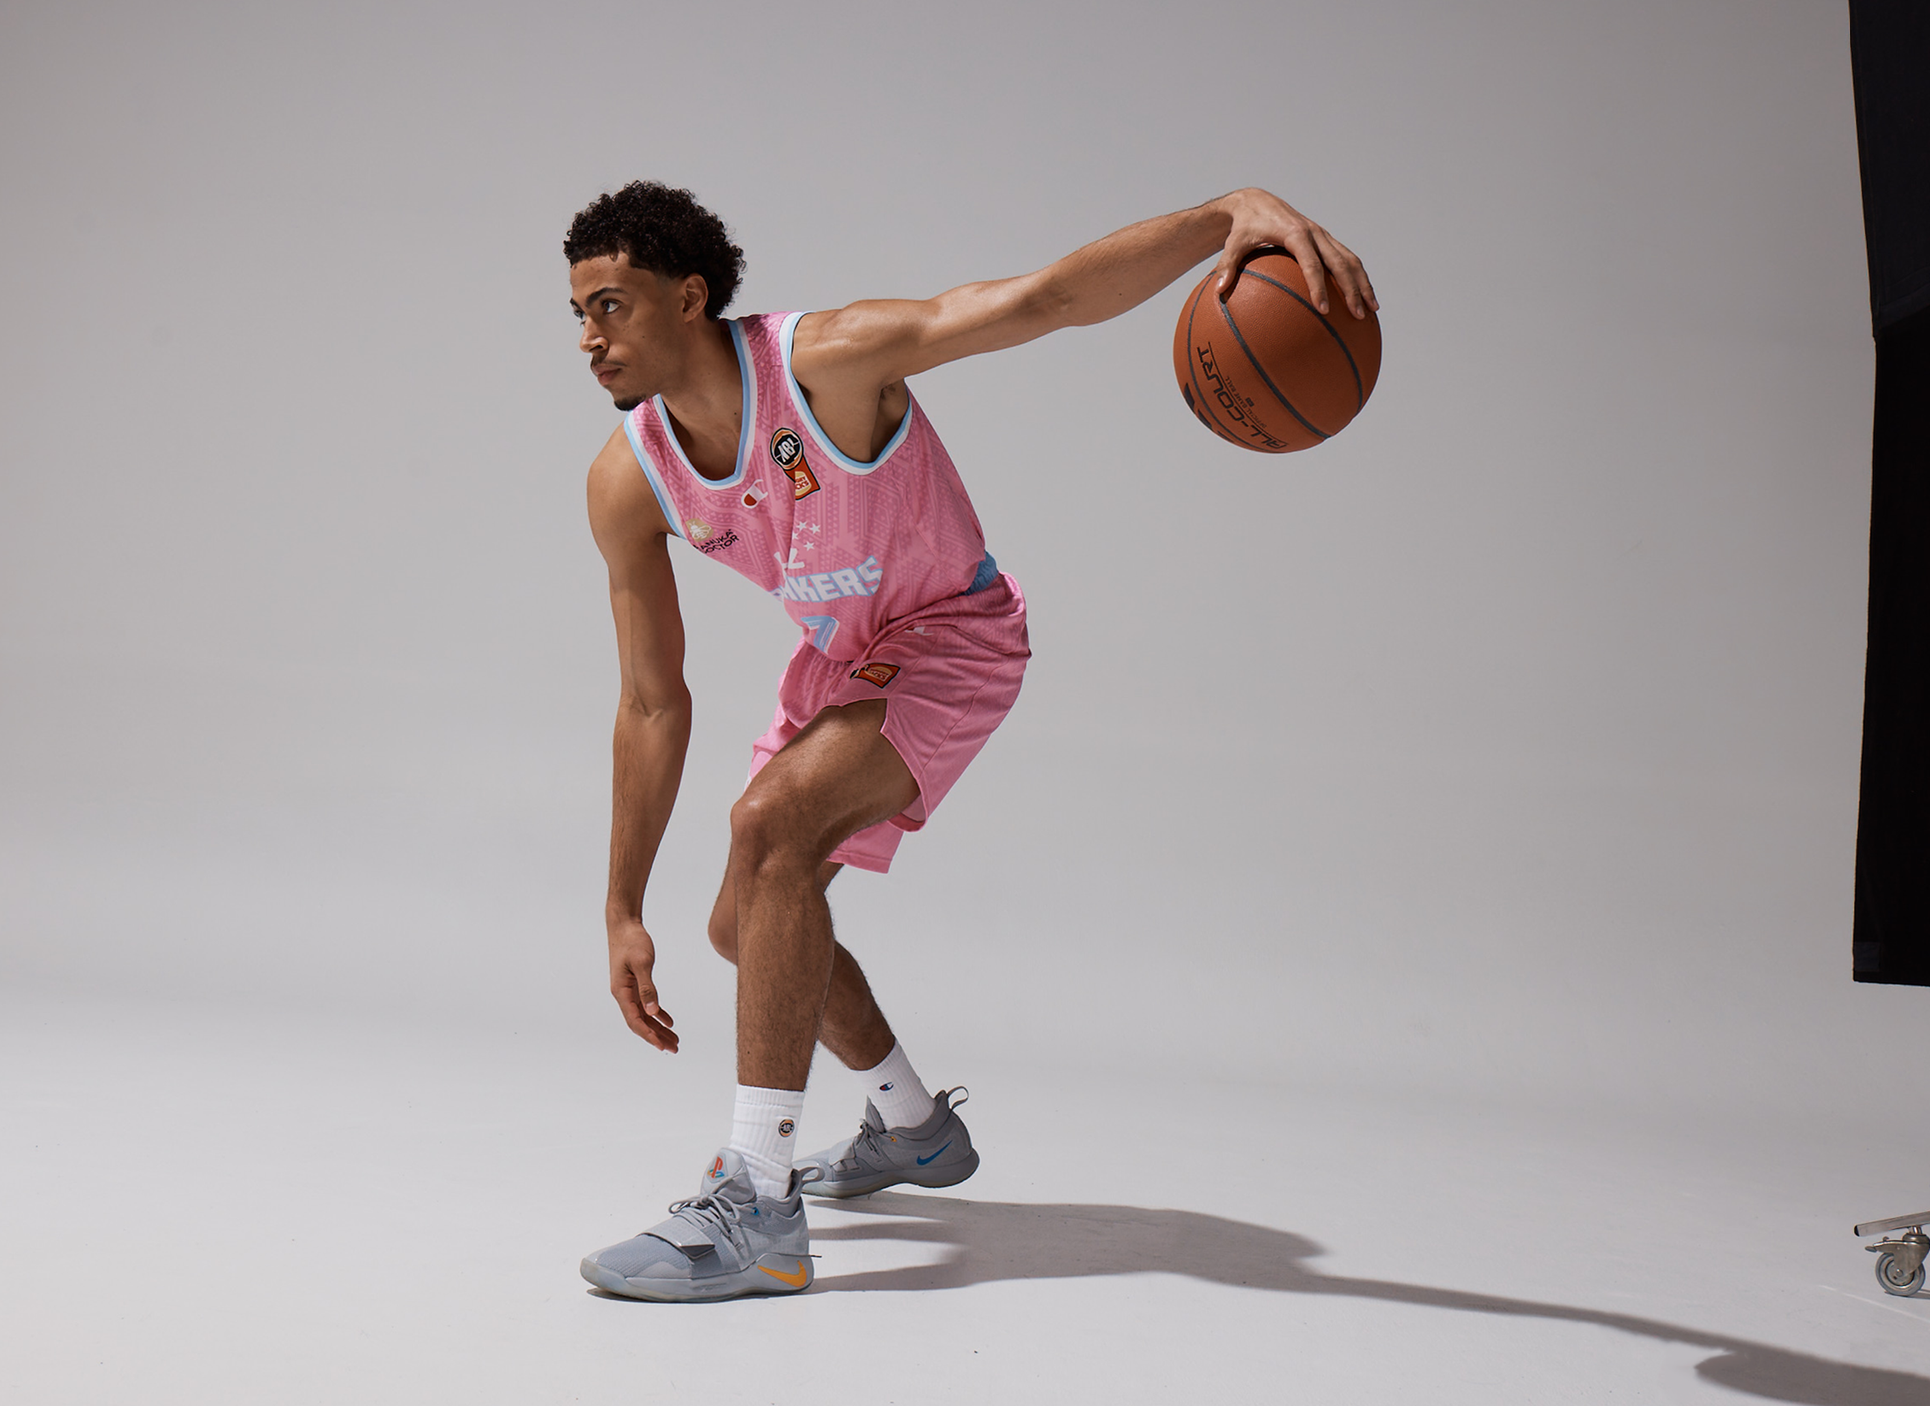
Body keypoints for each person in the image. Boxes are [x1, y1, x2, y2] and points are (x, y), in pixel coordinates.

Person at [568, 180, 1375, 1302]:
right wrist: (622, 905)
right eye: (579, 314)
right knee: (742, 926)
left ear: (690, 297)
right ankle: (912, 1128)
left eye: (610, 306)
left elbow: (1043, 300)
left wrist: (1221, 218)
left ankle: (757, 1205)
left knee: (771, 825)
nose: (589, 337)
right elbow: (654, 704)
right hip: (845, 662)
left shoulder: (827, 362)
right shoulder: (628, 476)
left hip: (955, 633)